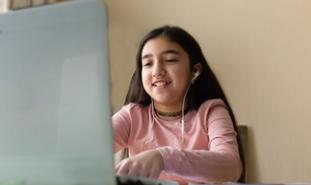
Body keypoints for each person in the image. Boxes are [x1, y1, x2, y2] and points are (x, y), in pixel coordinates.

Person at [112, 25, 243, 185]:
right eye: (147, 64)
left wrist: (163, 157)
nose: (157, 71)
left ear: (195, 71)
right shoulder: (131, 116)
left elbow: (231, 166)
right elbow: (87, 151)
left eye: (170, 60)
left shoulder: (211, 111)